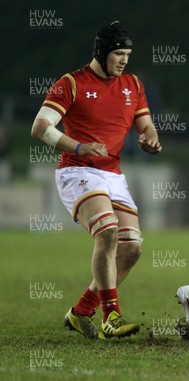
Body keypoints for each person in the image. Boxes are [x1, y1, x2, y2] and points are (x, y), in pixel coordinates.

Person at [30, 21, 162, 339]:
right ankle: (111, 316)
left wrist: (150, 139)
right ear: (102, 53)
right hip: (77, 171)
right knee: (108, 231)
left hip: (112, 174)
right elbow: (40, 127)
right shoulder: (71, 83)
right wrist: (79, 146)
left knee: (131, 248)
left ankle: (81, 311)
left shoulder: (133, 84)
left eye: (127, 54)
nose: (124, 60)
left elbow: (146, 125)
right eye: (118, 53)